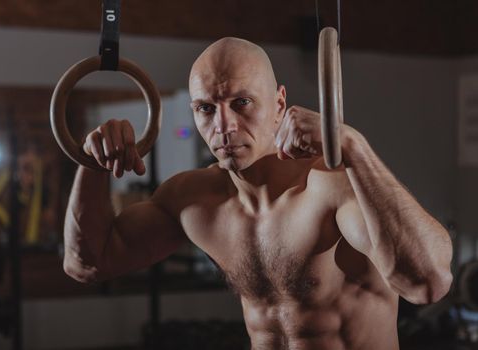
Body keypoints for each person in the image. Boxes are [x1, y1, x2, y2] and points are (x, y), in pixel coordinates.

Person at [63, 37, 453, 349]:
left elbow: (428, 283)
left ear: (279, 103)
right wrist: (92, 163)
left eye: (241, 102)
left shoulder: (331, 191)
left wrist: (353, 146)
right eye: (206, 109)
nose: (225, 125)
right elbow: (89, 264)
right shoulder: (196, 201)